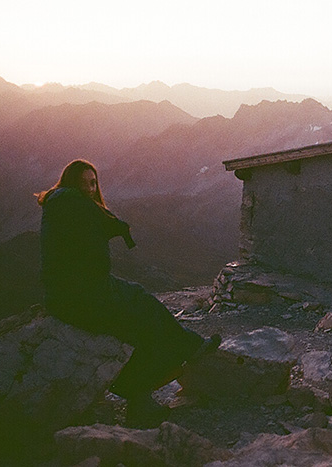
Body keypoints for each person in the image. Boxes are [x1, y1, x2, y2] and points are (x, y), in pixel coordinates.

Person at [37, 159, 220, 427]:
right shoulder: (69, 201)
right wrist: (114, 224)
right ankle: (186, 350)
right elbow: (89, 226)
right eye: (83, 183)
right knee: (142, 317)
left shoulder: (62, 207)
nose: (89, 189)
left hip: (74, 295)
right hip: (83, 296)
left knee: (138, 314)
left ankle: (144, 398)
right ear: (70, 183)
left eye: (93, 183)